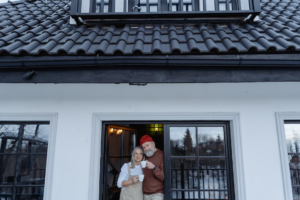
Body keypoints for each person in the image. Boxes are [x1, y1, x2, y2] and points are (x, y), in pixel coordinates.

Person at [140, 135, 164, 200]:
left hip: (157, 194)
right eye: (144, 147)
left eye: (147, 145)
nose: (146, 149)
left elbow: (163, 177)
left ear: (153, 143)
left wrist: (154, 167)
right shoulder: (143, 156)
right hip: (144, 194)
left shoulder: (161, 155)